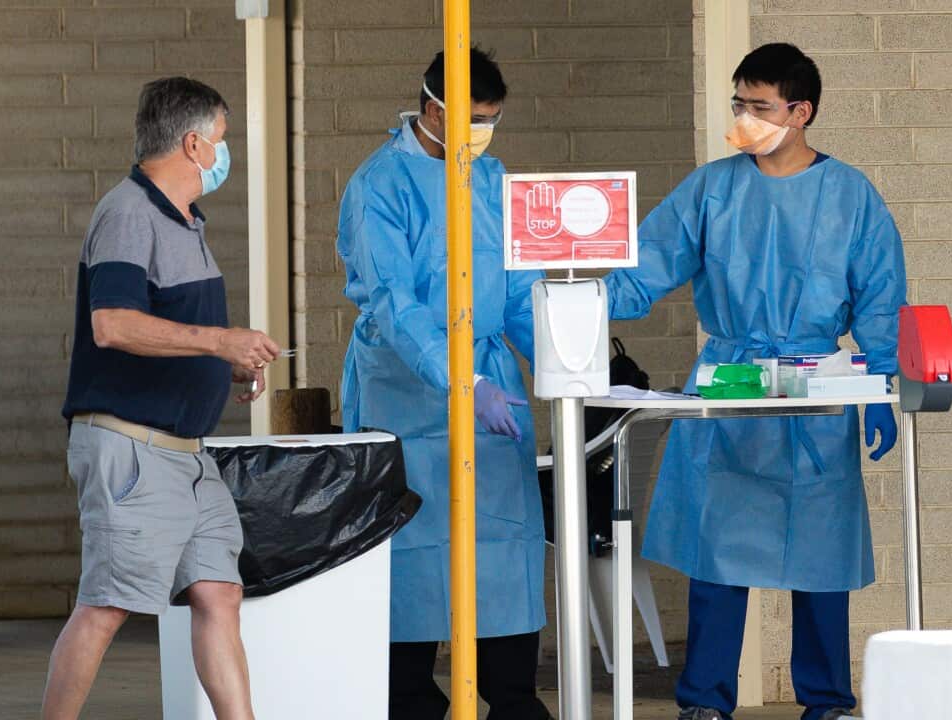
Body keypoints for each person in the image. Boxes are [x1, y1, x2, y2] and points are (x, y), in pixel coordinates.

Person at [604, 43, 907, 720]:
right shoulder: (712, 188)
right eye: (738, 103)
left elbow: (882, 298)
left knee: (821, 560)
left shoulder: (850, 195)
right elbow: (643, 268)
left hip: (816, 392)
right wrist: (571, 292)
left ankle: (827, 702)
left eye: (759, 106)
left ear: (801, 112)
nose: (743, 118)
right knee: (718, 558)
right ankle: (704, 703)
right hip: (730, 386)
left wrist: (885, 381)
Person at [46, 77, 279, 720]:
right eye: (223, 141)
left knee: (217, 594)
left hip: (186, 455)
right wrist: (219, 339)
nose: (224, 156)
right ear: (194, 142)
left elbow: (166, 329)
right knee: (107, 605)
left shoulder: (185, 221)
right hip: (133, 448)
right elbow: (112, 324)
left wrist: (219, 361)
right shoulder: (128, 213)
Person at [336, 48, 551, 720]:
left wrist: (560, 358)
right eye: (473, 118)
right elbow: (394, 304)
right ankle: (411, 703)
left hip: (489, 388)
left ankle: (513, 700)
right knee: (411, 552)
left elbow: (516, 287)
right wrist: (464, 378)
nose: (483, 133)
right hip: (404, 384)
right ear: (433, 106)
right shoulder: (380, 185)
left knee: (503, 544)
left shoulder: (490, 178)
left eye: (491, 120)